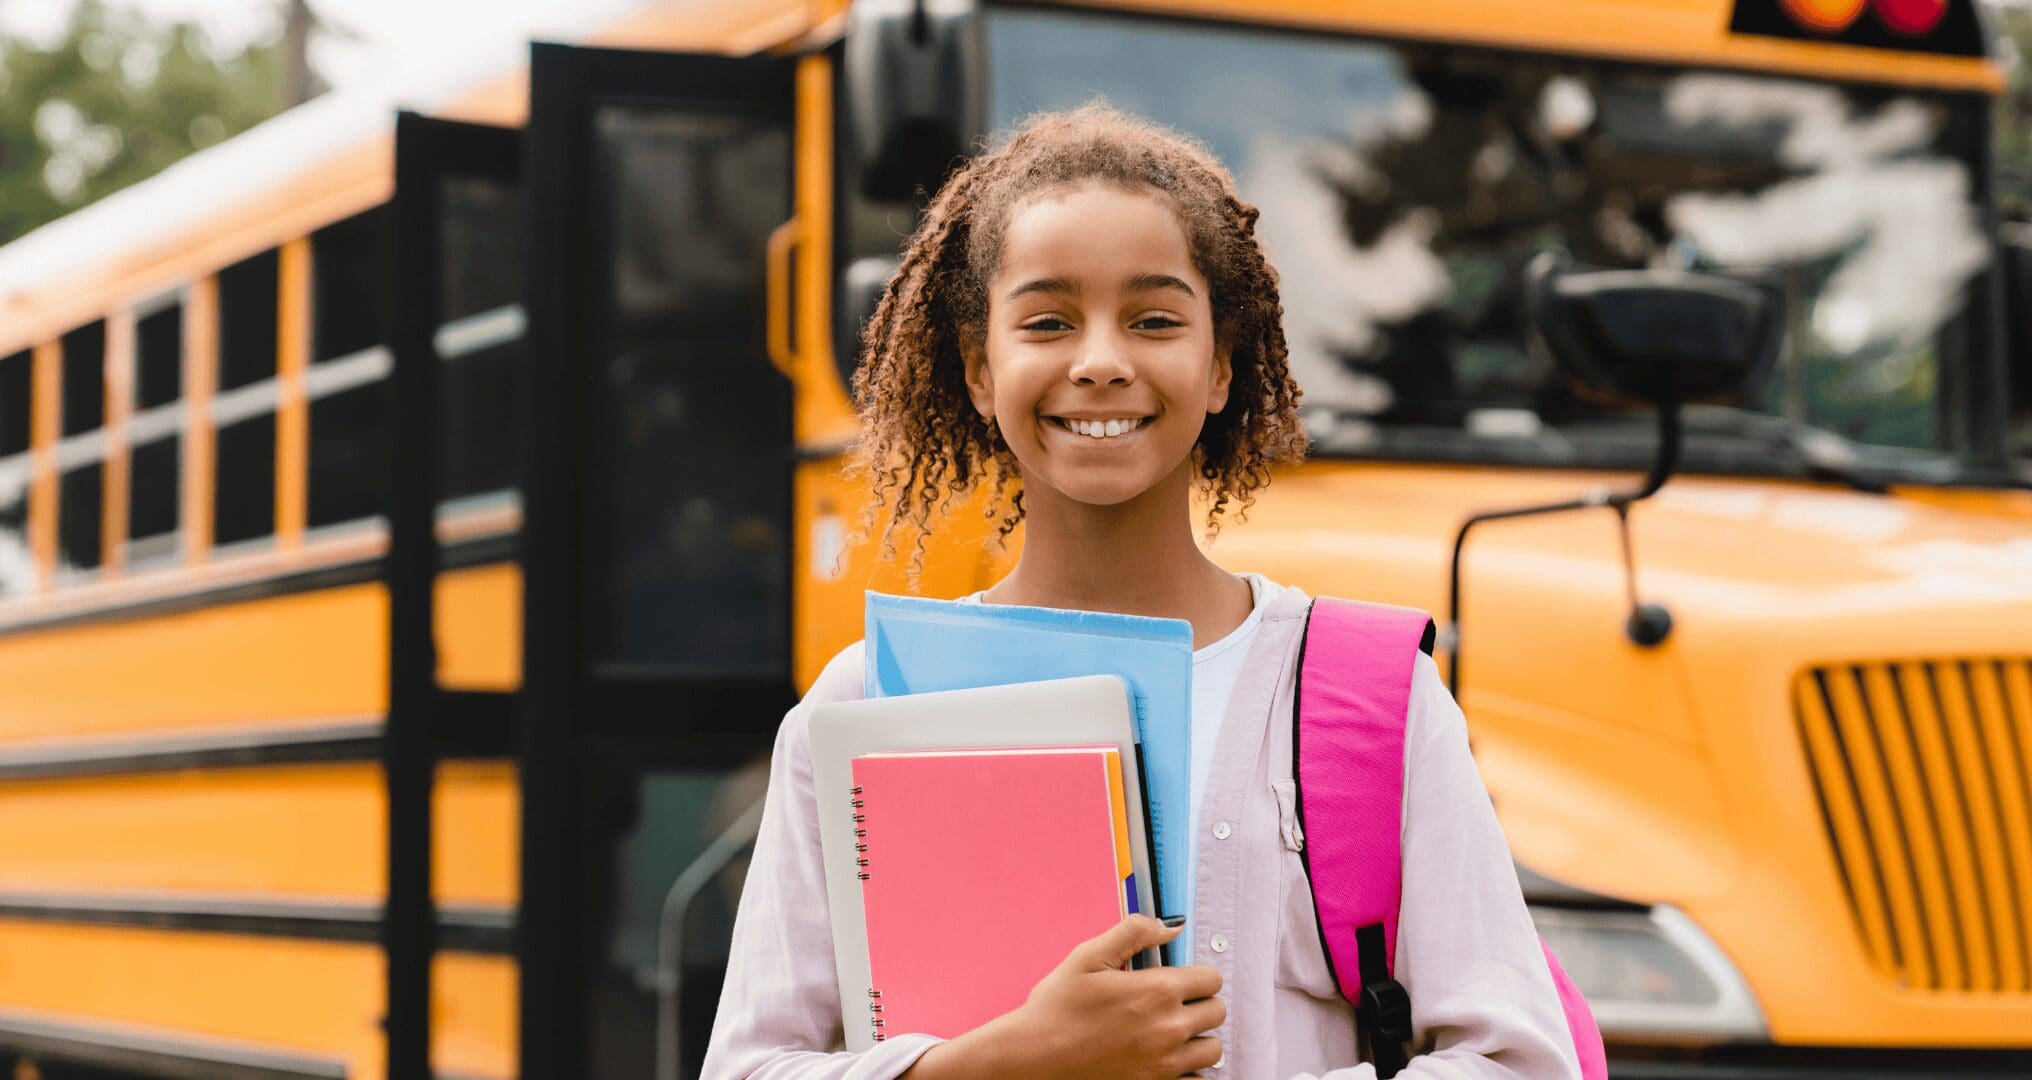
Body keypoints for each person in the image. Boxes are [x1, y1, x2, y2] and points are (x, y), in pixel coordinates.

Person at [701, 102, 1581, 1079]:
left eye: (1155, 319)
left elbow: (1516, 1059)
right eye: (1046, 321)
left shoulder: (1375, 701)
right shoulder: (866, 707)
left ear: (1221, 368)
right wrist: (1000, 1064)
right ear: (978, 373)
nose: (1102, 361)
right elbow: (748, 1067)